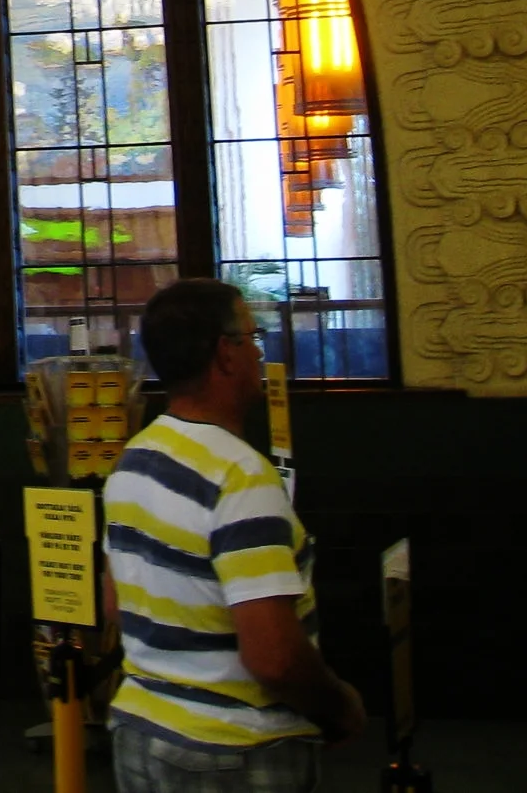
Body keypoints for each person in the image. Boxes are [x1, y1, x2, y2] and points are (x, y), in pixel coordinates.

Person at [104, 279, 364, 791]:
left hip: (139, 738)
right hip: (237, 754)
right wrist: (340, 708)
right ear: (226, 353)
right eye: (254, 335)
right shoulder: (241, 478)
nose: (260, 350)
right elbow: (274, 657)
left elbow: (115, 604)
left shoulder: (133, 461)